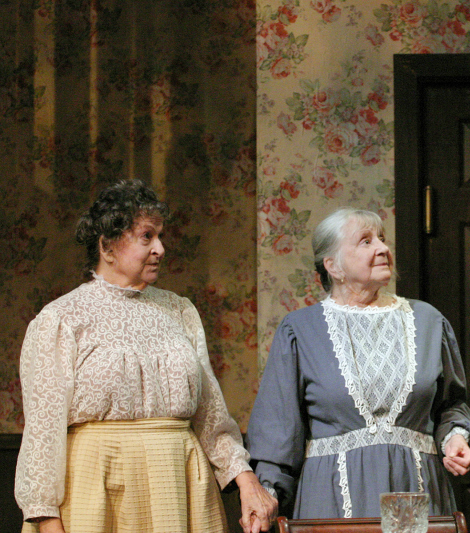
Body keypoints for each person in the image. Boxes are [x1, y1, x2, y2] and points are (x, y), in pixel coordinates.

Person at [15, 179, 277, 533]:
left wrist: (246, 481)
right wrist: (47, 521)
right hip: (98, 487)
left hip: (179, 480)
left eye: (160, 236)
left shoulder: (179, 311)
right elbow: (42, 434)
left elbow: (211, 414)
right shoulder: (62, 319)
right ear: (107, 246)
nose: (161, 248)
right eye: (146, 236)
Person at [246, 207, 470, 518]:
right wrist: (266, 494)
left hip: (415, 491)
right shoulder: (300, 330)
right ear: (333, 266)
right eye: (366, 241)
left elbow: (452, 404)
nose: (383, 248)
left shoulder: (427, 321)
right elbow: (278, 427)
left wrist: (456, 436)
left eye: (382, 239)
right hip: (331, 498)